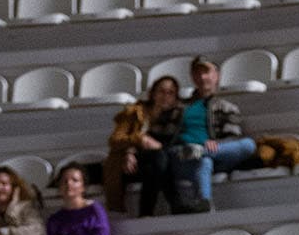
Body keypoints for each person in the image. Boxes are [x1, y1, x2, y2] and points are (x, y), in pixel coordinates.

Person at [169, 56, 255, 212]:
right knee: (204, 162)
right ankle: (204, 201)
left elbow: (233, 136)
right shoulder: (179, 107)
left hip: (215, 155)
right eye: (198, 73)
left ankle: (201, 152)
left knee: (248, 145)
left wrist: (216, 145)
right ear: (193, 77)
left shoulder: (227, 107)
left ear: (216, 75)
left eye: (206, 72)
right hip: (183, 157)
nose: (202, 77)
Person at [103, 73, 183, 215]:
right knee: (159, 159)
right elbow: (115, 139)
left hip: (156, 165)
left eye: (171, 93)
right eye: (161, 91)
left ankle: (147, 213)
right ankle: (175, 205)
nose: (166, 96)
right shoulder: (136, 112)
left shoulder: (177, 117)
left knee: (158, 161)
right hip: (129, 165)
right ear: (152, 93)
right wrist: (135, 143)